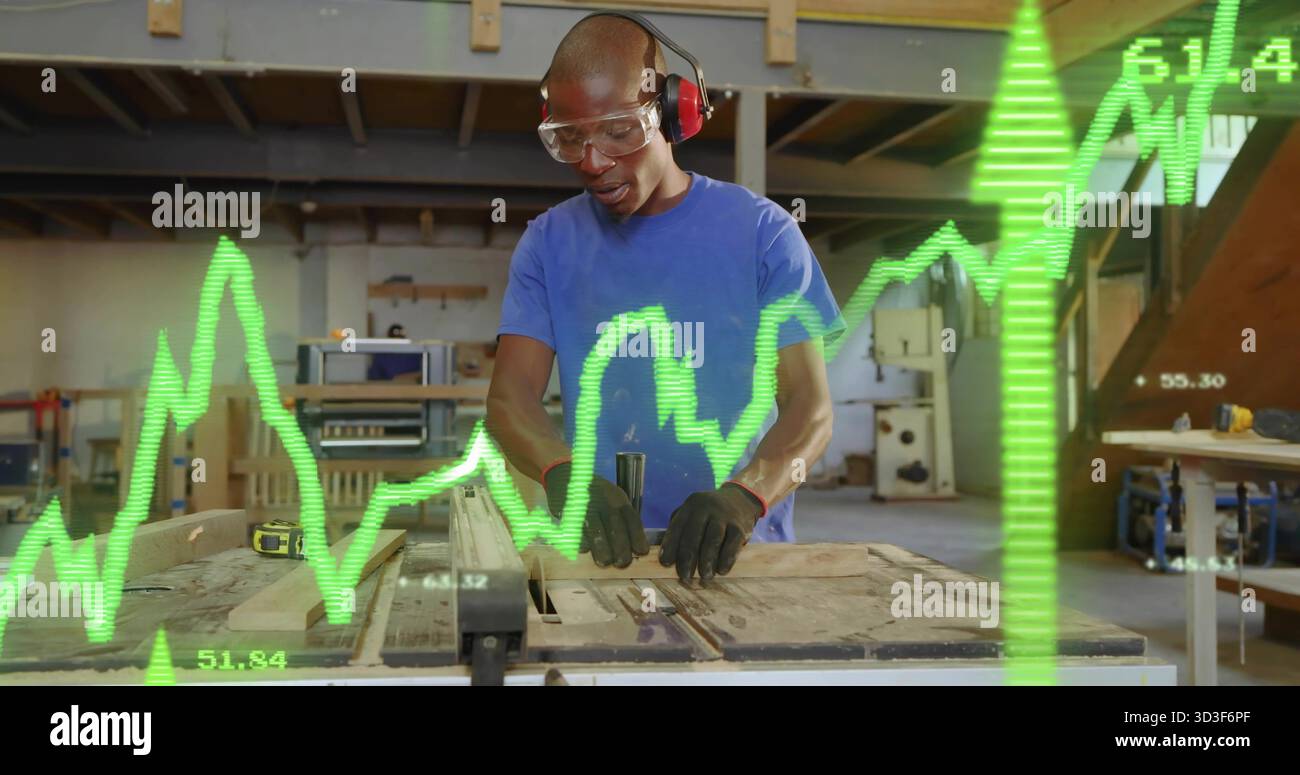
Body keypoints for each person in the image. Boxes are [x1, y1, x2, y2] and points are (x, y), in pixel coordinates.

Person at [486, 13, 842, 583]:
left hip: (742, 557)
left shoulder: (763, 234)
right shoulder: (548, 243)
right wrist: (562, 472)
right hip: (605, 558)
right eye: (570, 139)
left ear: (674, 112)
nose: (592, 162)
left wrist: (745, 497)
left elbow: (811, 407)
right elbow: (509, 398)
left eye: (618, 132)